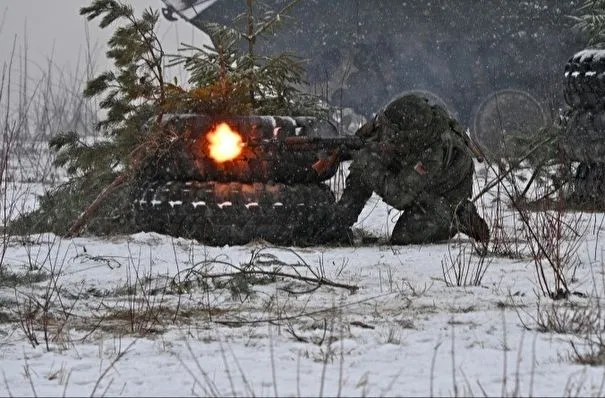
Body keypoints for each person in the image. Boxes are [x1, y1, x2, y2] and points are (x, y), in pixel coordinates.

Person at [331, 94, 489, 245]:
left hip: (442, 194)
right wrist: (345, 150)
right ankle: (339, 222)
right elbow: (368, 136)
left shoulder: (431, 154)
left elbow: (400, 196)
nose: (385, 134)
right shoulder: (401, 118)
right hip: (418, 173)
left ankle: (458, 216)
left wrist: (369, 166)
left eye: (391, 132)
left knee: (404, 235)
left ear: (406, 135)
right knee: (368, 159)